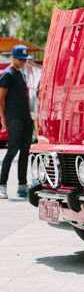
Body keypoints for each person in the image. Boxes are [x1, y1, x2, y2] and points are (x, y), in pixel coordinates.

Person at [0, 45, 34, 199]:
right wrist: (3, 119)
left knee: (25, 153)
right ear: (13, 58)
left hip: (26, 119)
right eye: (20, 59)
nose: (22, 62)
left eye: (24, 60)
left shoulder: (21, 75)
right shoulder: (7, 75)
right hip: (14, 119)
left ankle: (22, 186)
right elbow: (0, 99)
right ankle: (2, 186)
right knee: (12, 151)